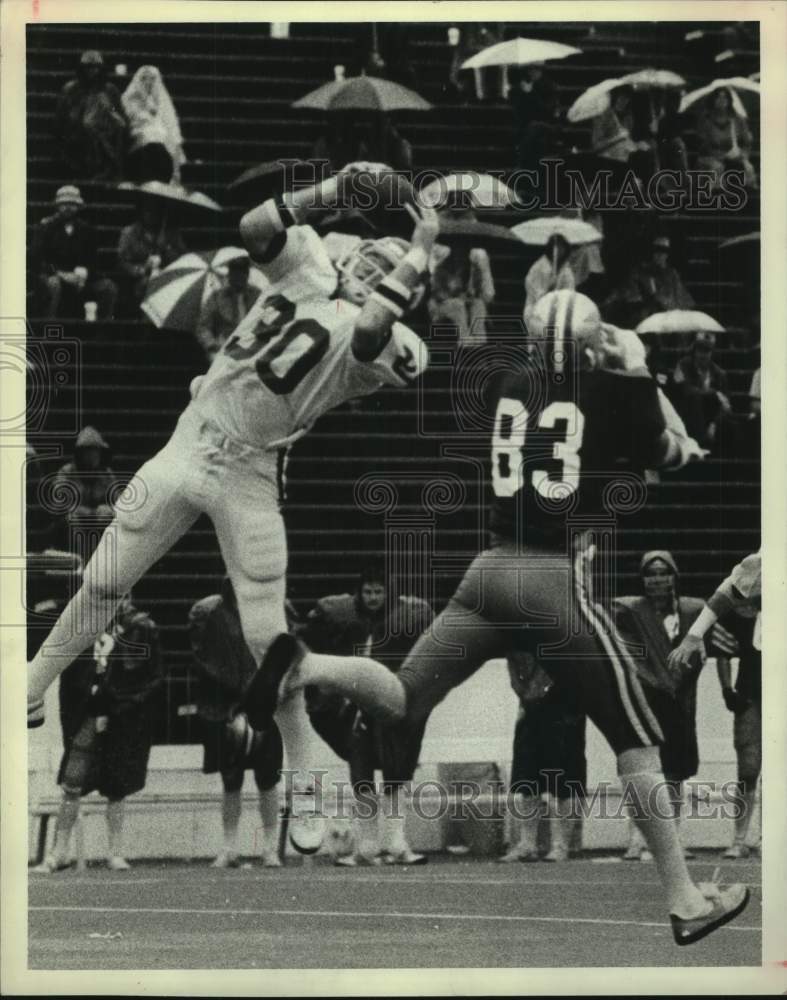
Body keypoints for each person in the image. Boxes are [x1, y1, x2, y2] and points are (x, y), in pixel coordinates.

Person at [248, 289, 749, 946]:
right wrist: (641, 375)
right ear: (592, 344)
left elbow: (570, 408)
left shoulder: (512, 381)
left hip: (485, 571)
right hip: (549, 579)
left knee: (400, 696)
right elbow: (670, 453)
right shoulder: (611, 390)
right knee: (636, 739)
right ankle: (684, 898)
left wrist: (622, 378)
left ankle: (306, 663)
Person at [27, 164, 436, 851]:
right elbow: (254, 226)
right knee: (103, 577)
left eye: (387, 265)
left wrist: (422, 241)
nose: (370, 264)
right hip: (191, 440)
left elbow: (368, 333)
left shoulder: (395, 342)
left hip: (250, 473)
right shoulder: (307, 269)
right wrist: (330, 190)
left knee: (271, 655)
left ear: (406, 288)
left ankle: (307, 783)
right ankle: (31, 684)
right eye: (371, 252)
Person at [300, 563, 432, 866]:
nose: (373, 597)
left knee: (396, 773)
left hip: (390, 703)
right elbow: (307, 639)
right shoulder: (340, 615)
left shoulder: (408, 616)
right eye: (368, 591)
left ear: (389, 592)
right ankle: (367, 845)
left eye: (379, 591)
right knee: (361, 776)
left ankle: (397, 842)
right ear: (360, 592)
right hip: (355, 708)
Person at [34, 594, 161, 873]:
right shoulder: (83, 623)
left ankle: (115, 851)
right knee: (72, 782)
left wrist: (116, 704)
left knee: (117, 785)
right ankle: (59, 851)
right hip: (88, 713)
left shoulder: (137, 626)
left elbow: (146, 676)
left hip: (119, 713)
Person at [614, 552, 707, 862]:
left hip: (680, 701)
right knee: (643, 771)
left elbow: (699, 655)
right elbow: (628, 657)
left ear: (674, 577)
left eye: (663, 573)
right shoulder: (630, 611)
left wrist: (679, 680)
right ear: (642, 579)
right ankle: (637, 840)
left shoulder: (692, 611)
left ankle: (674, 839)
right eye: (650, 574)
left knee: (675, 775)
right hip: (645, 702)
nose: (657, 579)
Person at [188, 579, 283, 868]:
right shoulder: (210, 612)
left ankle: (269, 847)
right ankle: (229, 846)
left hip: (264, 705)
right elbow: (205, 660)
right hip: (227, 707)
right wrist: (238, 696)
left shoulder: (274, 607)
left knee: (268, 779)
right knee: (231, 780)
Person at [500, 651, 586, 863]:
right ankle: (527, 844)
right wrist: (522, 690)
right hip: (530, 703)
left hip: (565, 703)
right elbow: (512, 659)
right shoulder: (520, 630)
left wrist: (541, 687)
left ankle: (561, 845)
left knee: (564, 777)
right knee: (527, 776)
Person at [710, 607, 762, 859]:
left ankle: (769, 837)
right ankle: (739, 839)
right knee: (748, 769)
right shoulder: (741, 612)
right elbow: (723, 653)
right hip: (751, 695)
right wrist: (727, 689)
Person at [29, 186, 118, 320]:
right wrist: (60, 274)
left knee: (108, 287)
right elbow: (36, 259)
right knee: (53, 284)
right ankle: (48, 326)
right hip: (52, 275)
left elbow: (93, 259)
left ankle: (102, 330)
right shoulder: (45, 227)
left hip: (79, 278)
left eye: (72, 204)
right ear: (57, 206)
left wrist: (83, 274)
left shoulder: (87, 229)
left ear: (78, 206)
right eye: (64, 204)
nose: (68, 207)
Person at [54, 50, 127, 181]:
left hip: (104, 133)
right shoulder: (71, 89)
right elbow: (61, 118)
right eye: (88, 67)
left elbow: (119, 116)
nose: (92, 71)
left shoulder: (110, 90)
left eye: (96, 67)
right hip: (77, 134)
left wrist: (107, 109)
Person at [51, 425, 121, 561]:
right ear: (80, 454)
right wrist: (88, 513)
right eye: (88, 452)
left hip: (97, 523)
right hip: (70, 528)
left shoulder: (106, 474)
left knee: (110, 522)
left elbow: (119, 502)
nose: (93, 456)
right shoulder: (67, 472)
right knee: (73, 520)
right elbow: (60, 503)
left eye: (96, 452)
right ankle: (84, 563)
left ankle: (104, 564)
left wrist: (110, 510)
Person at [116, 199, 187, 312]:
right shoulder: (129, 232)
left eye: (156, 211)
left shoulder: (171, 233)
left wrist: (167, 249)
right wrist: (143, 269)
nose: (152, 215)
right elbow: (122, 262)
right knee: (147, 285)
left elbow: (182, 258)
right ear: (142, 212)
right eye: (148, 211)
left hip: (166, 275)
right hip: (139, 280)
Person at [121, 65, 186, 184]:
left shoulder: (163, 102)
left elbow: (172, 130)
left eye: (152, 78)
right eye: (144, 78)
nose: (148, 82)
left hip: (162, 151)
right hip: (138, 148)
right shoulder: (128, 99)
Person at [672, 332, 734, 451]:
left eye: (707, 351)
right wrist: (713, 392)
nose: (703, 355)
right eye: (700, 350)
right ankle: (700, 443)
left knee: (728, 423)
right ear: (694, 351)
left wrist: (714, 424)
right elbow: (686, 391)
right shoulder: (684, 365)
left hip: (710, 416)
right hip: (687, 412)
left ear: (712, 353)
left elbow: (726, 405)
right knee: (694, 400)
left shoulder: (720, 374)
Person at [195, 254, 263, 362]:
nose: (239, 277)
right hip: (223, 345)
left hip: (252, 344)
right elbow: (203, 327)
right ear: (229, 274)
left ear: (247, 274)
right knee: (216, 361)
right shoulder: (216, 297)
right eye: (235, 273)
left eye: (242, 272)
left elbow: (266, 321)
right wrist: (212, 344)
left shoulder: (258, 295)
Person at [694, 88, 757, 190]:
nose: (721, 100)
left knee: (748, 168)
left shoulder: (738, 119)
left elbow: (747, 142)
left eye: (725, 97)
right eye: (718, 97)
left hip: (734, 156)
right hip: (711, 158)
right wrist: (718, 155)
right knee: (717, 168)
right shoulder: (705, 119)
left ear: (729, 100)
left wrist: (743, 155)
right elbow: (702, 144)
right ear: (713, 100)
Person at [523, 235, 576, 329]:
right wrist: (548, 291)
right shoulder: (539, 267)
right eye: (557, 247)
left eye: (562, 247)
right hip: (536, 312)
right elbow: (534, 290)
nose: (559, 250)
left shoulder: (566, 270)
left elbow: (570, 290)